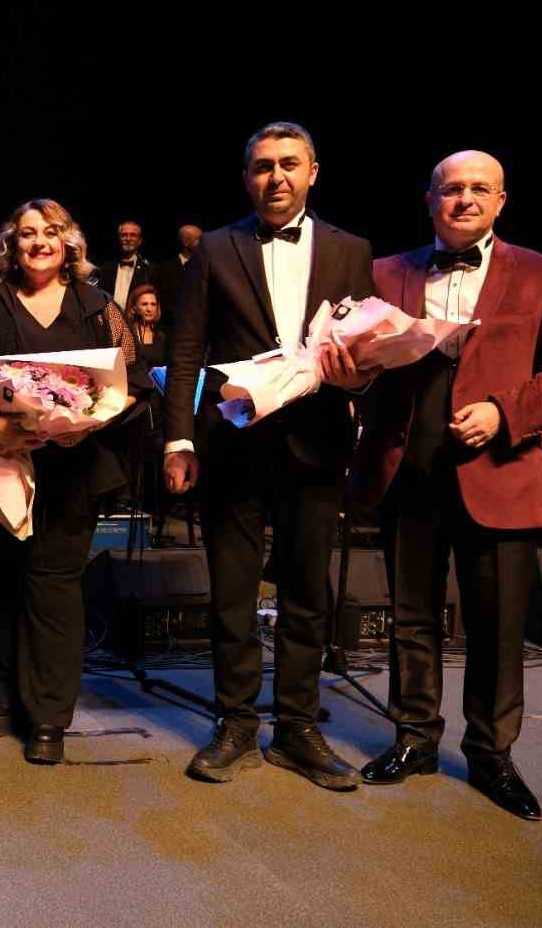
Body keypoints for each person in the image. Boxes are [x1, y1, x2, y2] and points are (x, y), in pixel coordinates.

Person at [353, 150, 542, 821]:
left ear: (501, 200)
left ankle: (490, 754)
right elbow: (358, 360)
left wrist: (506, 413)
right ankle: (414, 738)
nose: (464, 198)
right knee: (410, 616)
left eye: (479, 188)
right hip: (408, 468)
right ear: (430, 198)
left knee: (497, 624)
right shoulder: (382, 272)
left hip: (500, 467)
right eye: (451, 188)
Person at [165, 121, 376, 790]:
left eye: (288, 164)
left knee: (308, 592)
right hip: (233, 442)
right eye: (262, 166)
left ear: (313, 172)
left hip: (316, 442)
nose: (275, 176)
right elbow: (185, 351)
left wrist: (358, 380)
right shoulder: (214, 248)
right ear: (246, 177)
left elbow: (364, 349)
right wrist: (179, 438)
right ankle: (234, 722)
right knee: (231, 593)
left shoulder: (352, 250)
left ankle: (296, 728)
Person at [0, 199, 138, 763]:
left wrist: (86, 424)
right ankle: (6, 695)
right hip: (5, 462)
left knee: (54, 586)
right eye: (27, 233)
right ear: (12, 245)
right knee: (7, 581)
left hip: (74, 469)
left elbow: (130, 380)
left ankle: (50, 715)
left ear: (68, 242)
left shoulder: (97, 305)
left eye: (50, 232)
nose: (39, 242)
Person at [153, 223, 203, 327]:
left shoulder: (205, 266)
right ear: (185, 242)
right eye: (199, 239)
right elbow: (162, 299)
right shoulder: (165, 269)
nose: (203, 243)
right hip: (172, 327)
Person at [109, 219, 155, 310]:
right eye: (124, 235)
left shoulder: (148, 269)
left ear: (140, 241)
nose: (128, 239)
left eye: (133, 235)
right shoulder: (106, 268)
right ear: (119, 239)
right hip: (109, 317)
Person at [126, 283, 168, 369]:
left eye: (153, 304)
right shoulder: (125, 334)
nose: (149, 309)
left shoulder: (161, 338)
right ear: (133, 308)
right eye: (144, 304)